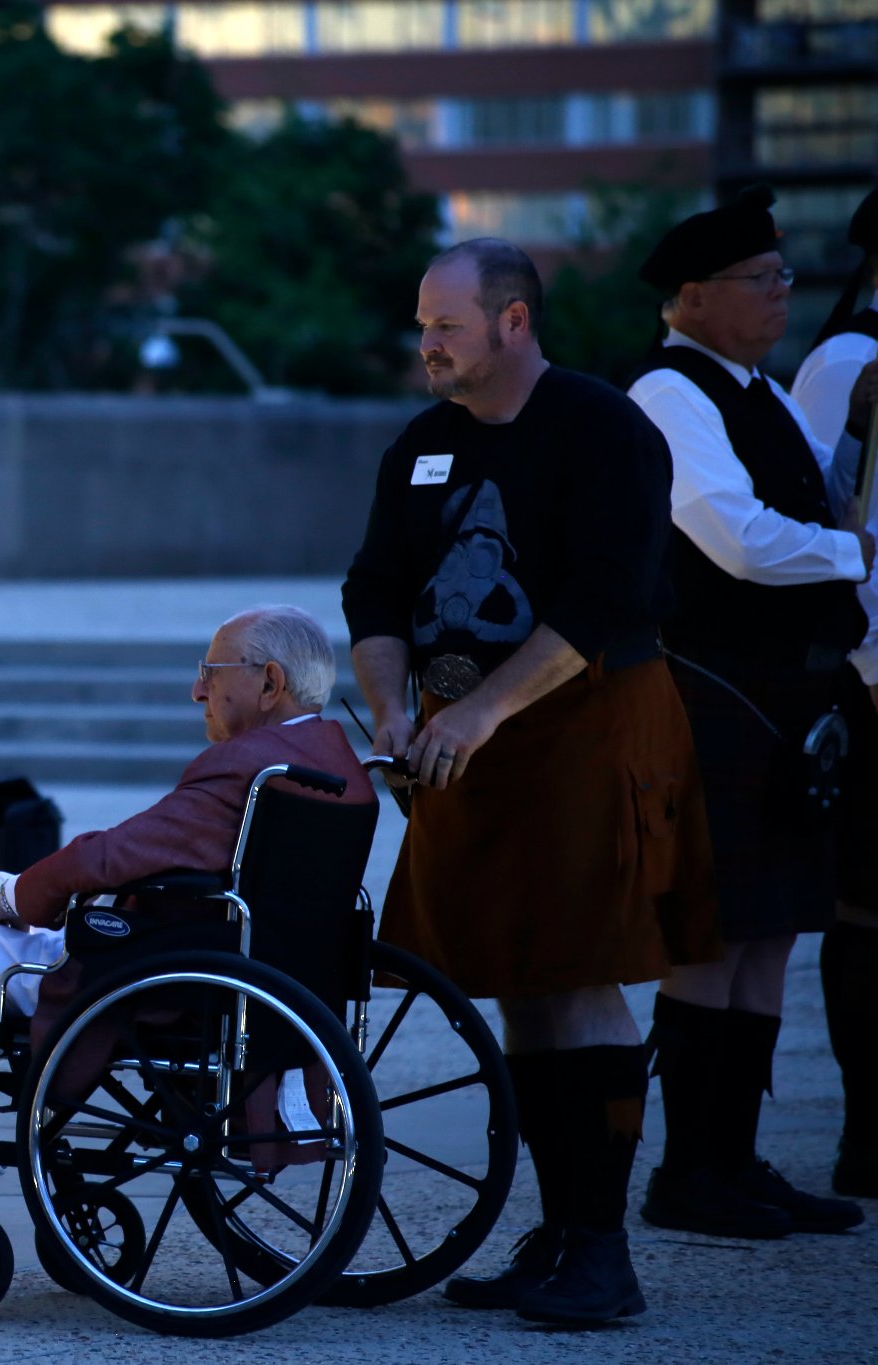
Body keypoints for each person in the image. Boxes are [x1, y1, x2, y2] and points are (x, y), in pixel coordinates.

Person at [343, 238, 720, 1326]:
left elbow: (608, 594)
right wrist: (388, 706)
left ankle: (601, 1252)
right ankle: (556, 1232)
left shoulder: (602, 429)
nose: (425, 343)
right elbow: (372, 587)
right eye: (420, 324)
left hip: (582, 728)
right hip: (464, 750)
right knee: (515, 976)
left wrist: (481, 709)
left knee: (577, 974)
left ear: (512, 322)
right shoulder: (422, 445)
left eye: (444, 325)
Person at [0, 605, 372, 1260]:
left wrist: (25, 895)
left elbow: (110, 855)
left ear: (270, 682)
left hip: (141, 977)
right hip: (222, 963)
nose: (197, 690)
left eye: (209, 672)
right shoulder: (333, 763)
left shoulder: (247, 766)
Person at [627, 187, 872, 1241]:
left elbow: (813, 498)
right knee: (713, 933)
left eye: (781, 277)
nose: (782, 295)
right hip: (714, 693)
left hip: (789, 695)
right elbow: (728, 534)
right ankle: (687, 1170)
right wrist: (850, 554)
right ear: (690, 296)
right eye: (758, 281)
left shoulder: (756, 388)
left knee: (769, 933)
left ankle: (732, 1159)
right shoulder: (667, 390)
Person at [791, 184, 878, 1198]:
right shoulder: (847, 361)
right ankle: (865, 1131)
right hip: (868, 671)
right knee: (867, 905)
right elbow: (817, 514)